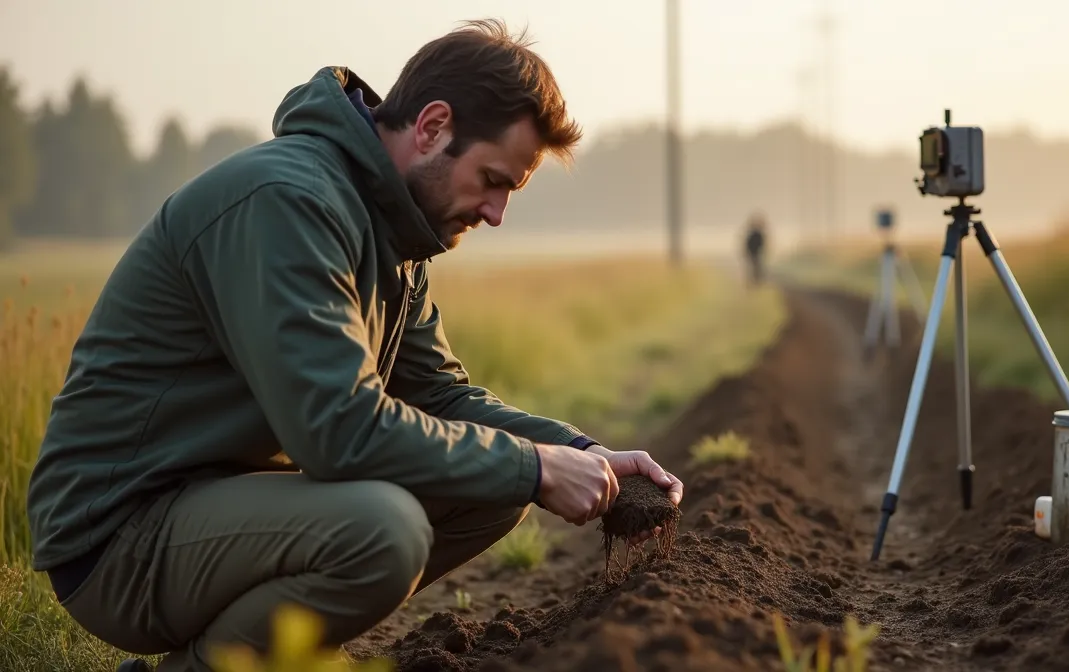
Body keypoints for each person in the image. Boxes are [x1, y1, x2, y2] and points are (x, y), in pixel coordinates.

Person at [25, 19, 684, 672]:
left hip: (213, 498)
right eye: (493, 180)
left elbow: (439, 395)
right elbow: (335, 430)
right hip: (118, 534)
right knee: (384, 529)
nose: (495, 214)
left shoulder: (397, 234)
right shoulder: (290, 202)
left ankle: (278, 644)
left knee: (494, 484)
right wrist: (534, 467)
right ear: (431, 128)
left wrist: (577, 452)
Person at [743, 213, 768, 285]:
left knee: (756, 268)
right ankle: (755, 281)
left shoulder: (756, 234)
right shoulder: (754, 234)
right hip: (754, 254)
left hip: (756, 254)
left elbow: (761, 245)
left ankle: (756, 281)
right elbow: (749, 244)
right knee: (754, 269)